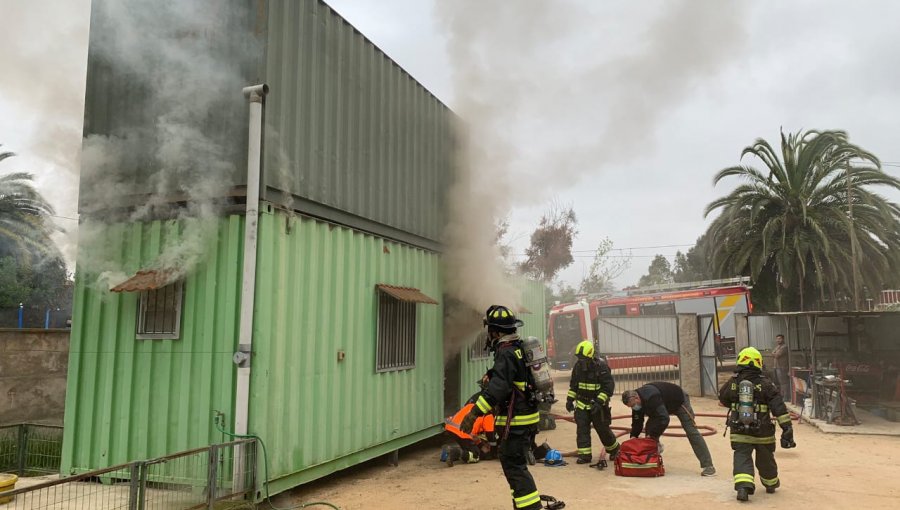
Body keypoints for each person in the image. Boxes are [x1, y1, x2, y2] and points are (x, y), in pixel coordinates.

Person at [459, 305, 563, 510]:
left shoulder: (506, 353)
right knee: (516, 465)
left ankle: (530, 508)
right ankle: (527, 506)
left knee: (514, 466)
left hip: (516, 421)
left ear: (495, 332)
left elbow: (499, 389)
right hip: (526, 418)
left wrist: (474, 412)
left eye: (490, 331)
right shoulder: (518, 348)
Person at [719, 347, 796, 502]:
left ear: (740, 361)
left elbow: (723, 398)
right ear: (759, 362)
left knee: (742, 456)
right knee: (766, 457)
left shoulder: (733, 381)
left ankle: (743, 487)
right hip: (763, 431)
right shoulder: (766, 383)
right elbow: (779, 408)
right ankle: (771, 483)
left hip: (739, 429)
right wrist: (787, 428)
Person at [622, 381, 716, 476]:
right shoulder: (637, 402)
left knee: (691, 431)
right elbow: (637, 422)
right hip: (661, 406)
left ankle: (708, 466)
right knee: (649, 430)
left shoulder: (651, 397)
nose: (634, 408)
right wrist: (633, 436)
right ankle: (652, 461)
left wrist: (653, 435)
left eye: (633, 405)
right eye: (631, 407)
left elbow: (664, 418)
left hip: (678, 402)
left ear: (636, 398)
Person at [565, 340, 620, 464]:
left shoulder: (601, 367)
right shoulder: (578, 367)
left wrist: (599, 402)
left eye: (583, 358)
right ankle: (585, 455)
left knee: (602, 429)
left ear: (590, 356)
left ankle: (615, 450)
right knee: (582, 429)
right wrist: (569, 400)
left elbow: (608, 387)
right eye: (579, 358)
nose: (581, 361)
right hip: (581, 404)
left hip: (597, 405)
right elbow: (574, 385)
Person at [443, 395, 496, 466]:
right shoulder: (488, 415)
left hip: (451, 428)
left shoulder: (472, 406)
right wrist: (493, 450)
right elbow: (490, 435)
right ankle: (456, 452)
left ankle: (447, 453)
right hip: (463, 432)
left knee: (467, 446)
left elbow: (474, 436)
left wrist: (479, 443)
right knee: (475, 455)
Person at [771, 334, 791, 400]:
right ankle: (782, 396)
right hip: (777, 367)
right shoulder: (778, 347)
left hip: (782, 367)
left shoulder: (784, 347)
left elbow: (777, 355)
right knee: (779, 383)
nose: (778, 340)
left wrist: (774, 353)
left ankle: (786, 397)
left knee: (784, 383)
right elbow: (772, 353)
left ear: (783, 339)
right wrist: (774, 353)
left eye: (779, 339)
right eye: (777, 339)